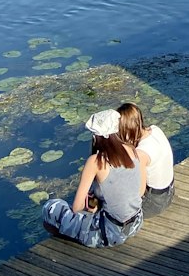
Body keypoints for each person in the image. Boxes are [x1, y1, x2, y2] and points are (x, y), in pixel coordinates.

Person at [42, 108, 146, 247]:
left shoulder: (96, 161)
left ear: (96, 136)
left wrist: (90, 208)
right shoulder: (131, 149)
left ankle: (63, 242)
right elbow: (135, 190)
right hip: (136, 223)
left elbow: (77, 208)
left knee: (51, 208)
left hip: (110, 233)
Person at [118, 102, 176, 217]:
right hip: (170, 190)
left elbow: (139, 192)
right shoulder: (155, 130)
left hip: (154, 202)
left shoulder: (141, 154)